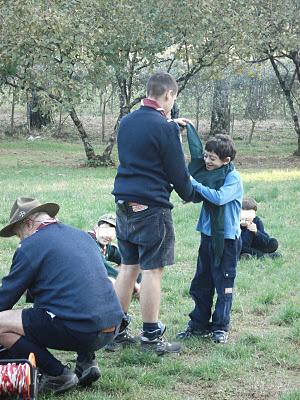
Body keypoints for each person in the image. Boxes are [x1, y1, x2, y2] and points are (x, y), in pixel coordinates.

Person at [111, 71, 200, 354]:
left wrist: (170, 126)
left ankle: (115, 331)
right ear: (168, 95)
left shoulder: (127, 121)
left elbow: (143, 145)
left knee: (127, 267)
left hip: (124, 203)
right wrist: (192, 195)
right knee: (153, 270)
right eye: (173, 99)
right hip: (151, 207)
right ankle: (151, 336)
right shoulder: (165, 128)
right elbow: (177, 171)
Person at [0, 197, 123, 394]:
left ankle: (57, 374)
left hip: (82, 330)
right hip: (112, 325)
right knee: (72, 300)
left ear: (29, 223)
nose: (21, 240)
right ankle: (86, 361)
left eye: (19, 234)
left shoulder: (31, 246)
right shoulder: (82, 236)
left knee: (1, 324)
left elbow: (4, 299)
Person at [177, 126, 243, 344]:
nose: (206, 160)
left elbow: (218, 198)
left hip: (226, 240)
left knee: (223, 283)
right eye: (205, 155)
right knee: (201, 282)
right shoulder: (209, 175)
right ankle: (198, 324)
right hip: (207, 236)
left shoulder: (233, 178)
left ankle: (220, 327)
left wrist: (193, 182)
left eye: (212, 158)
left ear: (225, 160)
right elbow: (200, 193)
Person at [88, 213, 141, 295]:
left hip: (93, 277)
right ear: (96, 228)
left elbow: (129, 260)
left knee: (134, 266)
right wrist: (132, 283)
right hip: (79, 279)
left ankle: (133, 289)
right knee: (111, 281)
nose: (107, 235)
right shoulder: (89, 241)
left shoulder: (107, 246)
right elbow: (103, 268)